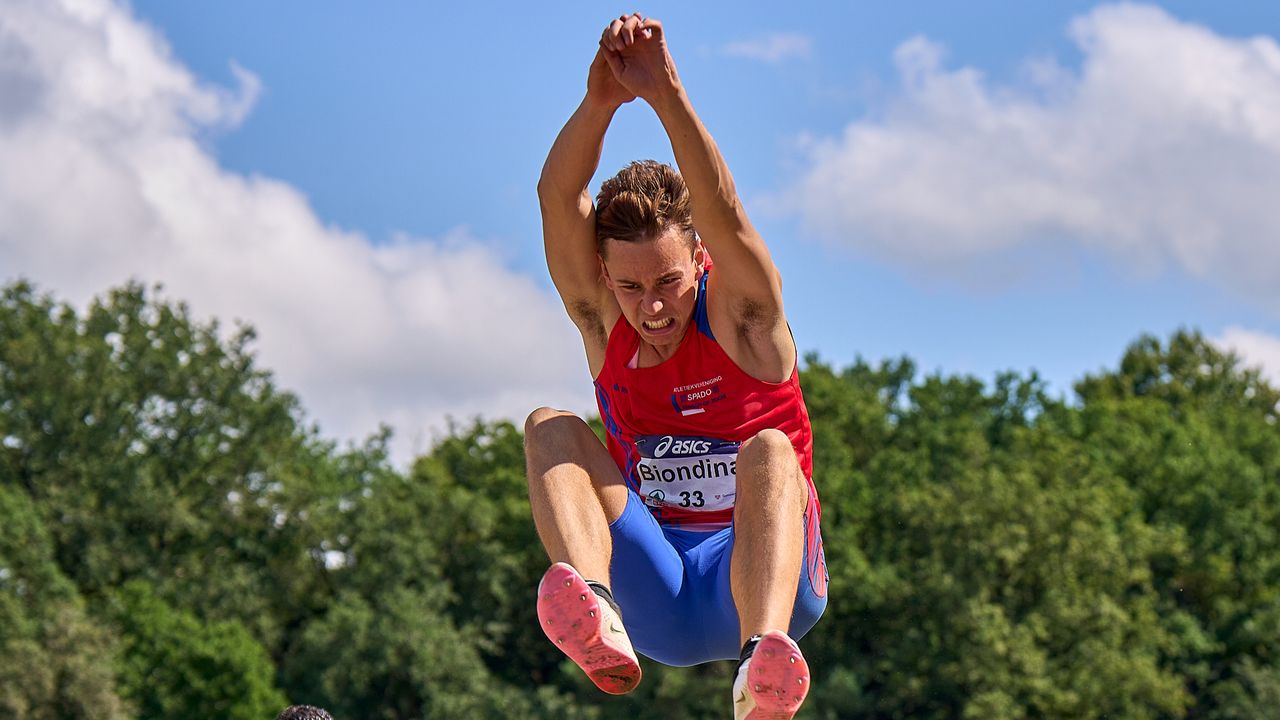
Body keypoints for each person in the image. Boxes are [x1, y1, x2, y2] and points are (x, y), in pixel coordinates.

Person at [527, 13, 828, 719]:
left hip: (766, 583)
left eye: (668, 282)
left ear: (700, 259)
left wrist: (664, 94)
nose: (652, 308)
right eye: (630, 288)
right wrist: (599, 103)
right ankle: (595, 608)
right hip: (658, 595)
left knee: (770, 448)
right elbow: (557, 200)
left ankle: (764, 666)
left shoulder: (743, 319)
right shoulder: (605, 322)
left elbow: (721, 206)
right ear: (607, 277)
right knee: (551, 428)